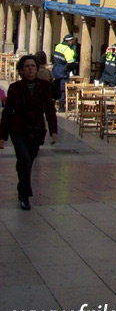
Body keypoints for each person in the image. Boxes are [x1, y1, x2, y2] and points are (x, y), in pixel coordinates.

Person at [0, 54, 57, 210]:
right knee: (24, 159)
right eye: (27, 66)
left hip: (36, 131)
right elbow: (7, 112)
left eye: (33, 66)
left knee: (26, 163)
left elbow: (50, 110)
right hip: (17, 129)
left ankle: (21, 188)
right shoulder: (15, 88)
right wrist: (2, 136)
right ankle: (25, 196)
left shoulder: (44, 86)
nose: (31, 69)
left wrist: (53, 130)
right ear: (21, 70)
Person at [52, 34, 77, 112]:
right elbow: (70, 63)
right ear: (69, 41)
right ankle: (61, 107)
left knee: (56, 88)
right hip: (63, 72)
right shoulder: (67, 50)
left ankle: (52, 104)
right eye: (72, 41)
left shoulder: (58, 46)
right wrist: (72, 66)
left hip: (56, 70)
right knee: (63, 90)